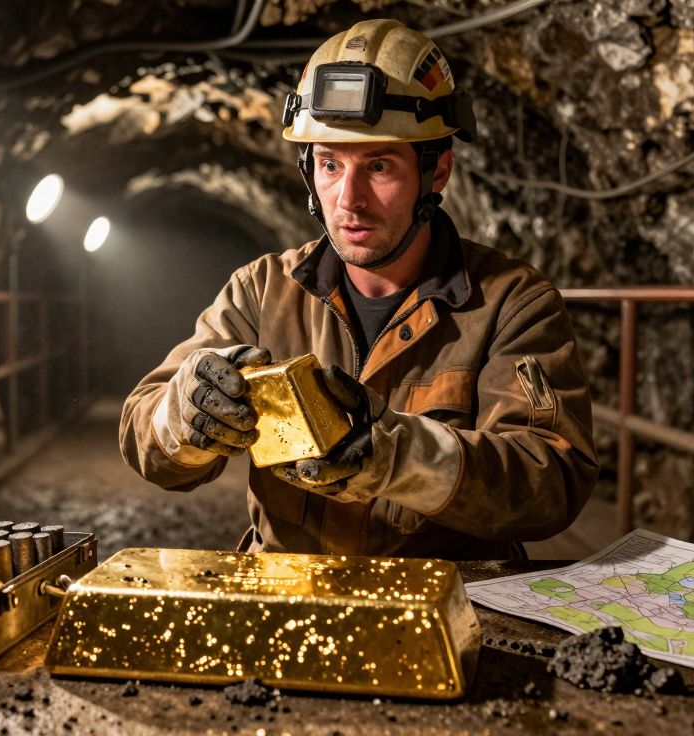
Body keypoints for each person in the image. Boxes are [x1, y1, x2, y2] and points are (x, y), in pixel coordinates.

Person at [120, 18, 597, 559]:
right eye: (329, 164)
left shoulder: (510, 304)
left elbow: (551, 481)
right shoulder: (261, 292)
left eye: (379, 166)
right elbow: (145, 439)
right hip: (293, 594)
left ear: (436, 172)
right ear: (307, 170)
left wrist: (400, 458)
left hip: (445, 602)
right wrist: (184, 415)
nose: (349, 198)